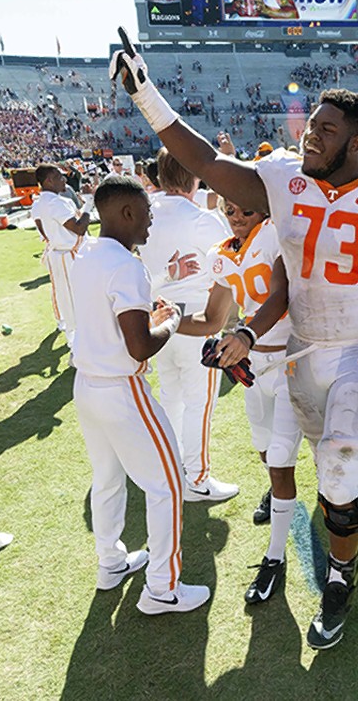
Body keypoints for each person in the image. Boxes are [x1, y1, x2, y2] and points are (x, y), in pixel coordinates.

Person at [111, 40, 358, 649]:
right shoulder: (285, 179)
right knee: (317, 467)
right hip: (303, 350)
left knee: (340, 470)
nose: (310, 138)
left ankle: (338, 576)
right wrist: (144, 93)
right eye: (310, 126)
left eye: (326, 131)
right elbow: (205, 162)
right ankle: (344, 549)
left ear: (356, 142)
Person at [69, 175, 209, 614]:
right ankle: (162, 589)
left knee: (107, 478)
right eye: (146, 214)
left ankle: (110, 562)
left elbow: (114, 312)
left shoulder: (86, 254)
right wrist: (171, 321)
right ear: (126, 213)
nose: (150, 224)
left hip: (87, 386)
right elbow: (139, 345)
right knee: (167, 485)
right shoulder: (124, 265)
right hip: (121, 388)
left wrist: (157, 300)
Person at [175, 200, 302, 600]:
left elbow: (279, 296)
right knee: (266, 452)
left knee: (282, 458)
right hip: (253, 367)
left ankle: (275, 557)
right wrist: (165, 319)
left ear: (263, 210)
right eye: (230, 210)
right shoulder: (224, 253)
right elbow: (213, 320)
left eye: (245, 211)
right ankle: (279, 497)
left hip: (289, 359)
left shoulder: (276, 236)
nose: (236, 217)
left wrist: (246, 333)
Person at [138, 149, 236, 502]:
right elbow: (227, 264)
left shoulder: (146, 210)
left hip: (159, 315)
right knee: (198, 401)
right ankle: (196, 477)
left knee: (172, 395)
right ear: (193, 175)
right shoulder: (201, 219)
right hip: (195, 316)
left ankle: (176, 467)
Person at [31, 164, 90, 345]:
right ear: (49, 181)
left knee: (66, 297)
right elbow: (79, 228)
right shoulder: (54, 202)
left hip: (60, 253)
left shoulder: (40, 202)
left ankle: (75, 339)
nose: (64, 180)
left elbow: (43, 230)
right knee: (77, 298)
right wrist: (89, 203)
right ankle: (79, 343)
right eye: (59, 177)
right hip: (69, 256)